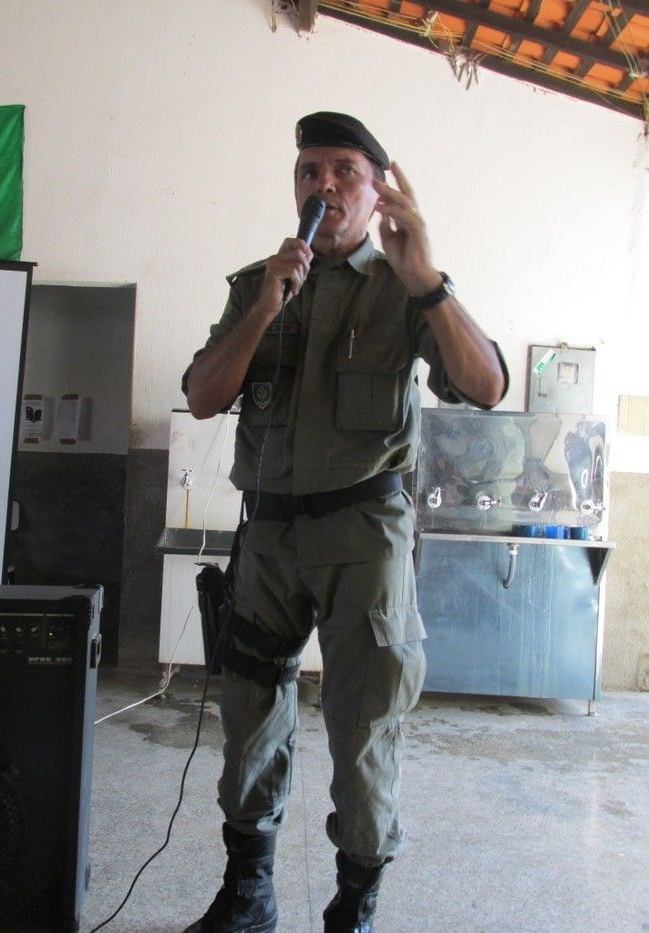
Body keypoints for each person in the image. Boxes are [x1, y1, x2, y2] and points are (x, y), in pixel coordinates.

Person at [182, 112, 508, 933]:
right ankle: (248, 892)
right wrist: (264, 308)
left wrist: (428, 278)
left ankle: (355, 904)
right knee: (249, 711)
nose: (321, 185)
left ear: (378, 189)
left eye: (343, 172)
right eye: (308, 170)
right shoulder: (257, 282)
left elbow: (487, 386)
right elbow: (203, 395)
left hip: (365, 534)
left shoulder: (405, 285)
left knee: (364, 724)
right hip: (268, 535)